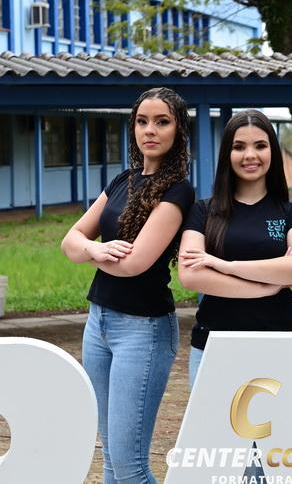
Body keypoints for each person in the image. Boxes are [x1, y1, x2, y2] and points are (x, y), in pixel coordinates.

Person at [60, 88, 195, 484]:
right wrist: (95, 249)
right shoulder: (123, 180)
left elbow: (135, 264)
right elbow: (70, 241)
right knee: (110, 461)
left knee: (130, 465)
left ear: (178, 130)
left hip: (143, 329)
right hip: (98, 322)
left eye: (162, 122)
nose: (150, 130)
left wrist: (89, 253)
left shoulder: (178, 191)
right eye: (142, 121)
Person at [177, 109, 292, 387]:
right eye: (239, 147)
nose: (250, 155)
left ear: (273, 152)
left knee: (279, 419)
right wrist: (268, 285)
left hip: (279, 342)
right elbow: (191, 275)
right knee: (213, 419)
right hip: (214, 343)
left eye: (260, 145)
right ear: (227, 154)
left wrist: (224, 266)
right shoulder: (203, 212)